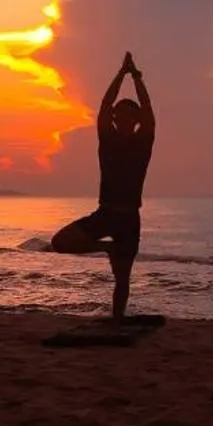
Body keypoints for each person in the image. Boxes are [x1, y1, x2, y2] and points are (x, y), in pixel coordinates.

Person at [49, 51, 156, 318]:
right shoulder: (107, 140)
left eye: (131, 115)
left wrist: (137, 76)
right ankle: (106, 248)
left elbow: (148, 109)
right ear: (116, 119)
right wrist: (121, 74)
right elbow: (105, 105)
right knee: (60, 242)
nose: (124, 118)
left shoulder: (143, 142)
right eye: (120, 114)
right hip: (105, 213)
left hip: (130, 218)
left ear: (137, 120)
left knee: (122, 278)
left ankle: (117, 319)